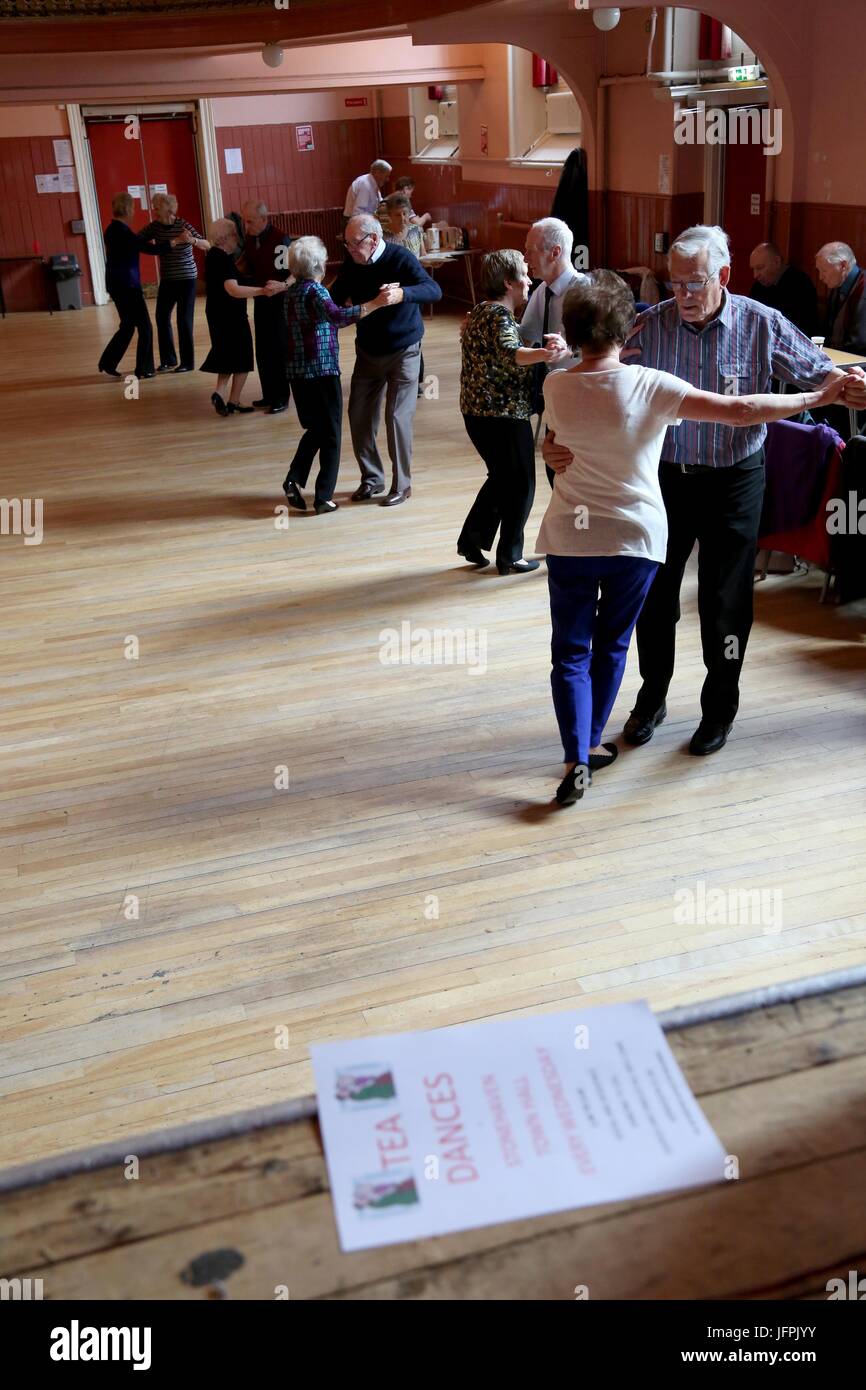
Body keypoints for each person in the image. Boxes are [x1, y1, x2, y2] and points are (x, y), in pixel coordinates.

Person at [544, 223, 866, 758]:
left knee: (725, 602)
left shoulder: (761, 324)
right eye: (675, 284)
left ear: (723, 275)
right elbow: (584, 383)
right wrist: (556, 441)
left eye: (695, 283)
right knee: (656, 598)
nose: (684, 296)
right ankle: (651, 700)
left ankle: (719, 709)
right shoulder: (647, 328)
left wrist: (854, 387)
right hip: (664, 480)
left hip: (736, 479)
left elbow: (822, 375)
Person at [329, 213, 441, 506]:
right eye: (347, 243)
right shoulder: (352, 264)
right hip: (367, 350)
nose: (349, 249)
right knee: (359, 415)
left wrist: (402, 293)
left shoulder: (400, 258)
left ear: (373, 239)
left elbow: (433, 290)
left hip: (404, 349)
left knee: (396, 417)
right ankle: (372, 478)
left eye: (354, 244)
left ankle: (402, 485)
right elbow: (334, 298)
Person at [458, 250, 559, 574]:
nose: (530, 280)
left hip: (478, 414)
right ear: (508, 282)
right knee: (522, 484)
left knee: (503, 478)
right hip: (501, 415)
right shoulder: (498, 317)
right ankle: (510, 555)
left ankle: (472, 540)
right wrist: (547, 353)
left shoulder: (479, 313)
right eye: (524, 275)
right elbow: (511, 353)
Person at [281, 236, 392, 514]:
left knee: (316, 429)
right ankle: (323, 497)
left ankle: (294, 479)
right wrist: (375, 303)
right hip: (322, 370)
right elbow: (339, 317)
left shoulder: (292, 292)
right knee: (331, 433)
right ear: (319, 264)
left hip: (297, 371)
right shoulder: (316, 292)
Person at [520, 217, 590, 486]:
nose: (526, 258)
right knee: (556, 472)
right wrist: (489, 324)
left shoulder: (584, 291)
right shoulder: (542, 291)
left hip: (583, 396)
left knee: (573, 471)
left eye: (531, 250)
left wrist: (570, 350)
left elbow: (600, 347)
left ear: (555, 252)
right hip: (557, 398)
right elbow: (525, 335)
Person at [199, 219, 281, 416]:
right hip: (230, 316)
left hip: (216, 313)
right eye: (235, 234)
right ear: (225, 238)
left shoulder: (213, 255)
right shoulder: (224, 259)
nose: (237, 238)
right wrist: (262, 291)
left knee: (227, 354)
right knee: (243, 357)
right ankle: (233, 401)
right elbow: (233, 290)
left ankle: (220, 393)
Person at [97, 191, 176, 380]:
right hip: (127, 286)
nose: (133, 212)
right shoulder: (122, 232)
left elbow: (137, 243)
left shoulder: (113, 229)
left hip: (117, 285)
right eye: (132, 208)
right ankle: (144, 369)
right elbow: (147, 248)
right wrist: (172, 243)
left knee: (127, 326)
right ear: (127, 210)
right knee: (145, 327)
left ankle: (108, 363)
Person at [140, 192, 208, 373]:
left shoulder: (182, 225)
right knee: (161, 318)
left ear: (168, 208)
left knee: (184, 321)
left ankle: (187, 362)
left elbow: (207, 244)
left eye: (156, 207)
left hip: (187, 279)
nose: (153, 210)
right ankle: (169, 360)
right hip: (168, 280)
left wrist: (192, 240)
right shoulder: (155, 227)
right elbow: (138, 241)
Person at [241, 200, 293, 413]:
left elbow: (292, 272)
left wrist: (282, 285)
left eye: (250, 221)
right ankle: (268, 393)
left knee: (279, 348)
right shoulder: (251, 238)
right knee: (262, 348)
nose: (247, 225)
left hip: (280, 302)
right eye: (245, 221)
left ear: (264, 219)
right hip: (261, 299)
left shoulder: (280, 239)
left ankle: (281, 396)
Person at [748, 242, 817, 337]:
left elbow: (798, 327)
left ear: (777, 262)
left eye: (760, 268)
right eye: (753, 269)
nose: (755, 275)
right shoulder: (759, 285)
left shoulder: (800, 283)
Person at [815, 241, 866, 354]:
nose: (820, 277)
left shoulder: (863, 289)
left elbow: (858, 343)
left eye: (824, 270)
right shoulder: (838, 285)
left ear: (843, 265)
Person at [343, 160, 391, 224]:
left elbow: (380, 204)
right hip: (354, 224)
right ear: (377, 172)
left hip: (362, 222)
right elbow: (359, 213)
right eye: (386, 176)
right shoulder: (365, 184)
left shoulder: (373, 184)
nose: (387, 179)